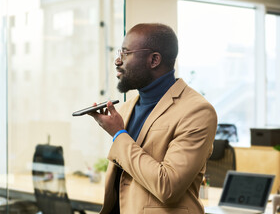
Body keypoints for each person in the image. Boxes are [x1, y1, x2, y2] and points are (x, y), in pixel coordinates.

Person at [88, 23, 218, 214]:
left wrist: (118, 134)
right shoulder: (126, 108)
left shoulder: (197, 111)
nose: (117, 61)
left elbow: (168, 187)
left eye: (125, 53)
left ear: (154, 60)